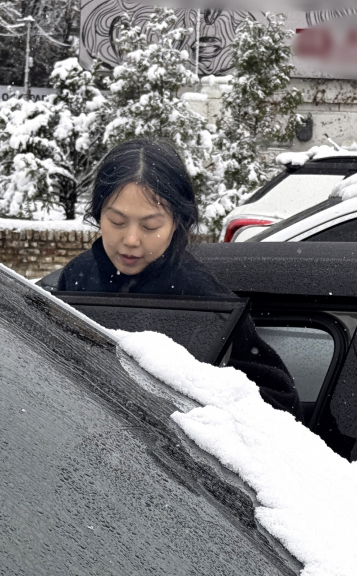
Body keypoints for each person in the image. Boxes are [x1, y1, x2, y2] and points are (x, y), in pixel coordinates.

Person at [40, 139, 303, 419]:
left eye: (150, 225)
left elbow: (281, 405)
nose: (131, 239)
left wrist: (201, 403)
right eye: (117, 221)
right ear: (98, 214)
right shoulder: (79, 275)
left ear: (177, 221)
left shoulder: (205, 299)